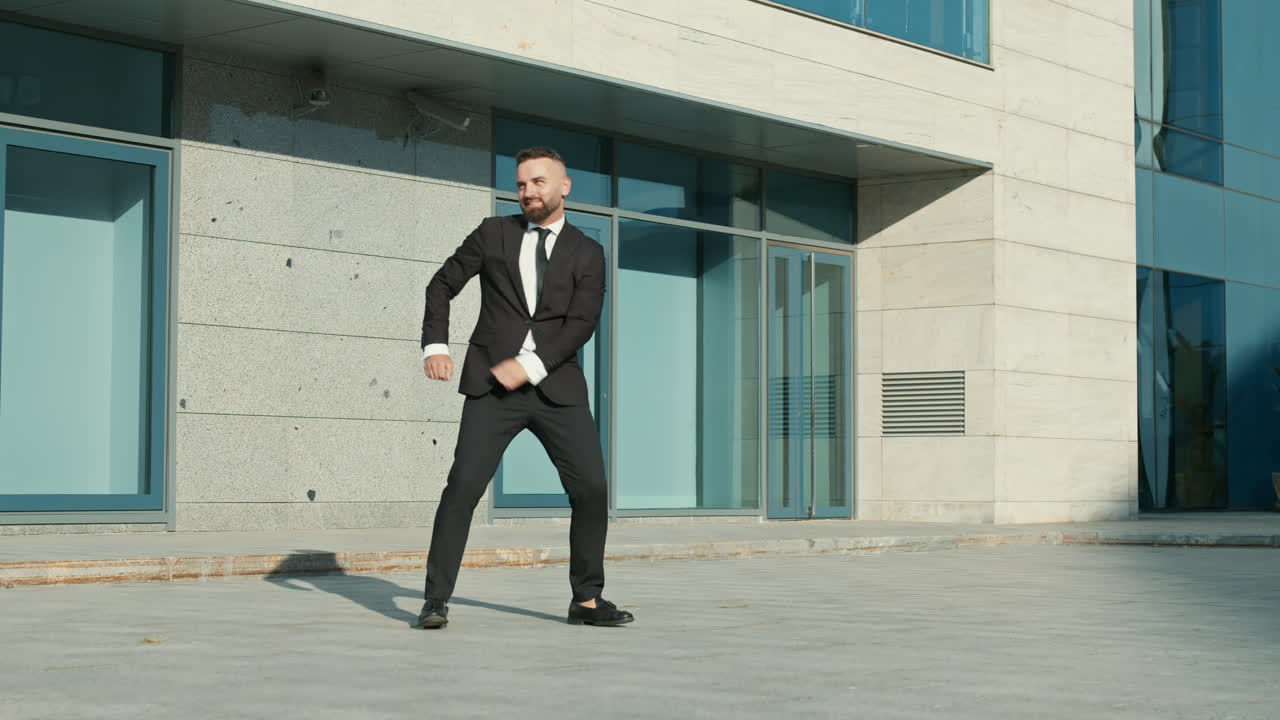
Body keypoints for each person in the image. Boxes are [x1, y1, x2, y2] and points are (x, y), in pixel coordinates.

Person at [415, 146, 633, 629]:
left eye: (538, 182)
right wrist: (435, 345)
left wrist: (530, 365)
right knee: (462, 488)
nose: (528, 192)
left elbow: (581, 324)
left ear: (563, 186)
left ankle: (587, 601)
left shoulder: (589, 252)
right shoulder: (493, 234)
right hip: (491, 386)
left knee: (592, 489)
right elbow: (441, 284)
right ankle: (435, 600)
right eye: (521, 185)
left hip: (558, 388)